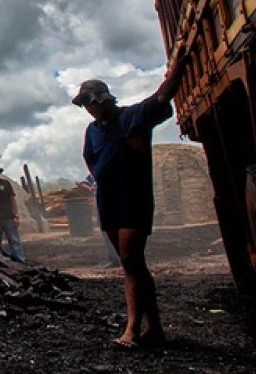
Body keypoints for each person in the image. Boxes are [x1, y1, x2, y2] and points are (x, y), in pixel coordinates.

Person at [74, 57, 186, 349]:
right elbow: (89, 156)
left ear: (103, 99)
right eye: (85, 104)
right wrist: (99, 176)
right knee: (132, 264)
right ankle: (156, 328)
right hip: (108, 199)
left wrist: (181, 65)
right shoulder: (93, 130)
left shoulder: (132, 117)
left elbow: (163, 96)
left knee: (130, 261)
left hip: (132, 197)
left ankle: (133, 330)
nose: (88, 108)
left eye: (91, 102)